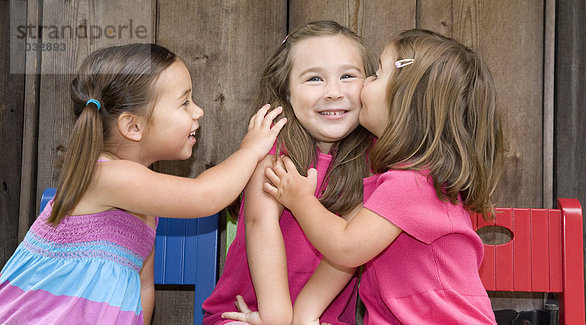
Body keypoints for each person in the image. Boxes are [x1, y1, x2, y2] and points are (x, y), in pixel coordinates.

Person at [0, 43, 286, 325]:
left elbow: (142, 288)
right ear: (133, 127)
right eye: (184, 102)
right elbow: (205, 197)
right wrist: (250, 150)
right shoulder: (105, 177)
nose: (198, 111)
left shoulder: (144, 200)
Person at [264, 29, 504, 324]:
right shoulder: (406, 177)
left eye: (376, 74)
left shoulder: (411, 185)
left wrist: (300, 200)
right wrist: (305, 314)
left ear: (404, 104)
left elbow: (345, 247)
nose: (365, 82)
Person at [203, 21, 374, 325]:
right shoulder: (273, 145)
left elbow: (347, 249)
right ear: (287, 90)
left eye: (347, 76)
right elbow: (260, 223)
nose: (333, 92)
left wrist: (305, 318)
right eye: (314, 79)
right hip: (250, 310)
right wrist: (277, 318)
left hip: (321, 315)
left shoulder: (371, 160)